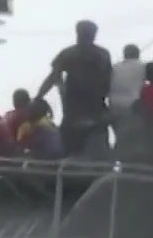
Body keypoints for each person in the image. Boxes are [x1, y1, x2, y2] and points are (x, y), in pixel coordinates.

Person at [36, 19, 113, 157]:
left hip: (75, 114)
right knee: (98, 157)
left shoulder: (68, 53)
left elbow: (53, 77)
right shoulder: (103, 54)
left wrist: (39, 97)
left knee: (70, 154)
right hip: (94, 113)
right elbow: (109, 82)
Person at [108, 44, 147, 152]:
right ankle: (129, 166)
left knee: (120, 139)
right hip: (132, 107)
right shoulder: (142, 66)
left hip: (114, 107)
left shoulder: (114, 67)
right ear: (138, 54)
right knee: (134, 142)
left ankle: (117, 163)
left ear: (124, 54)